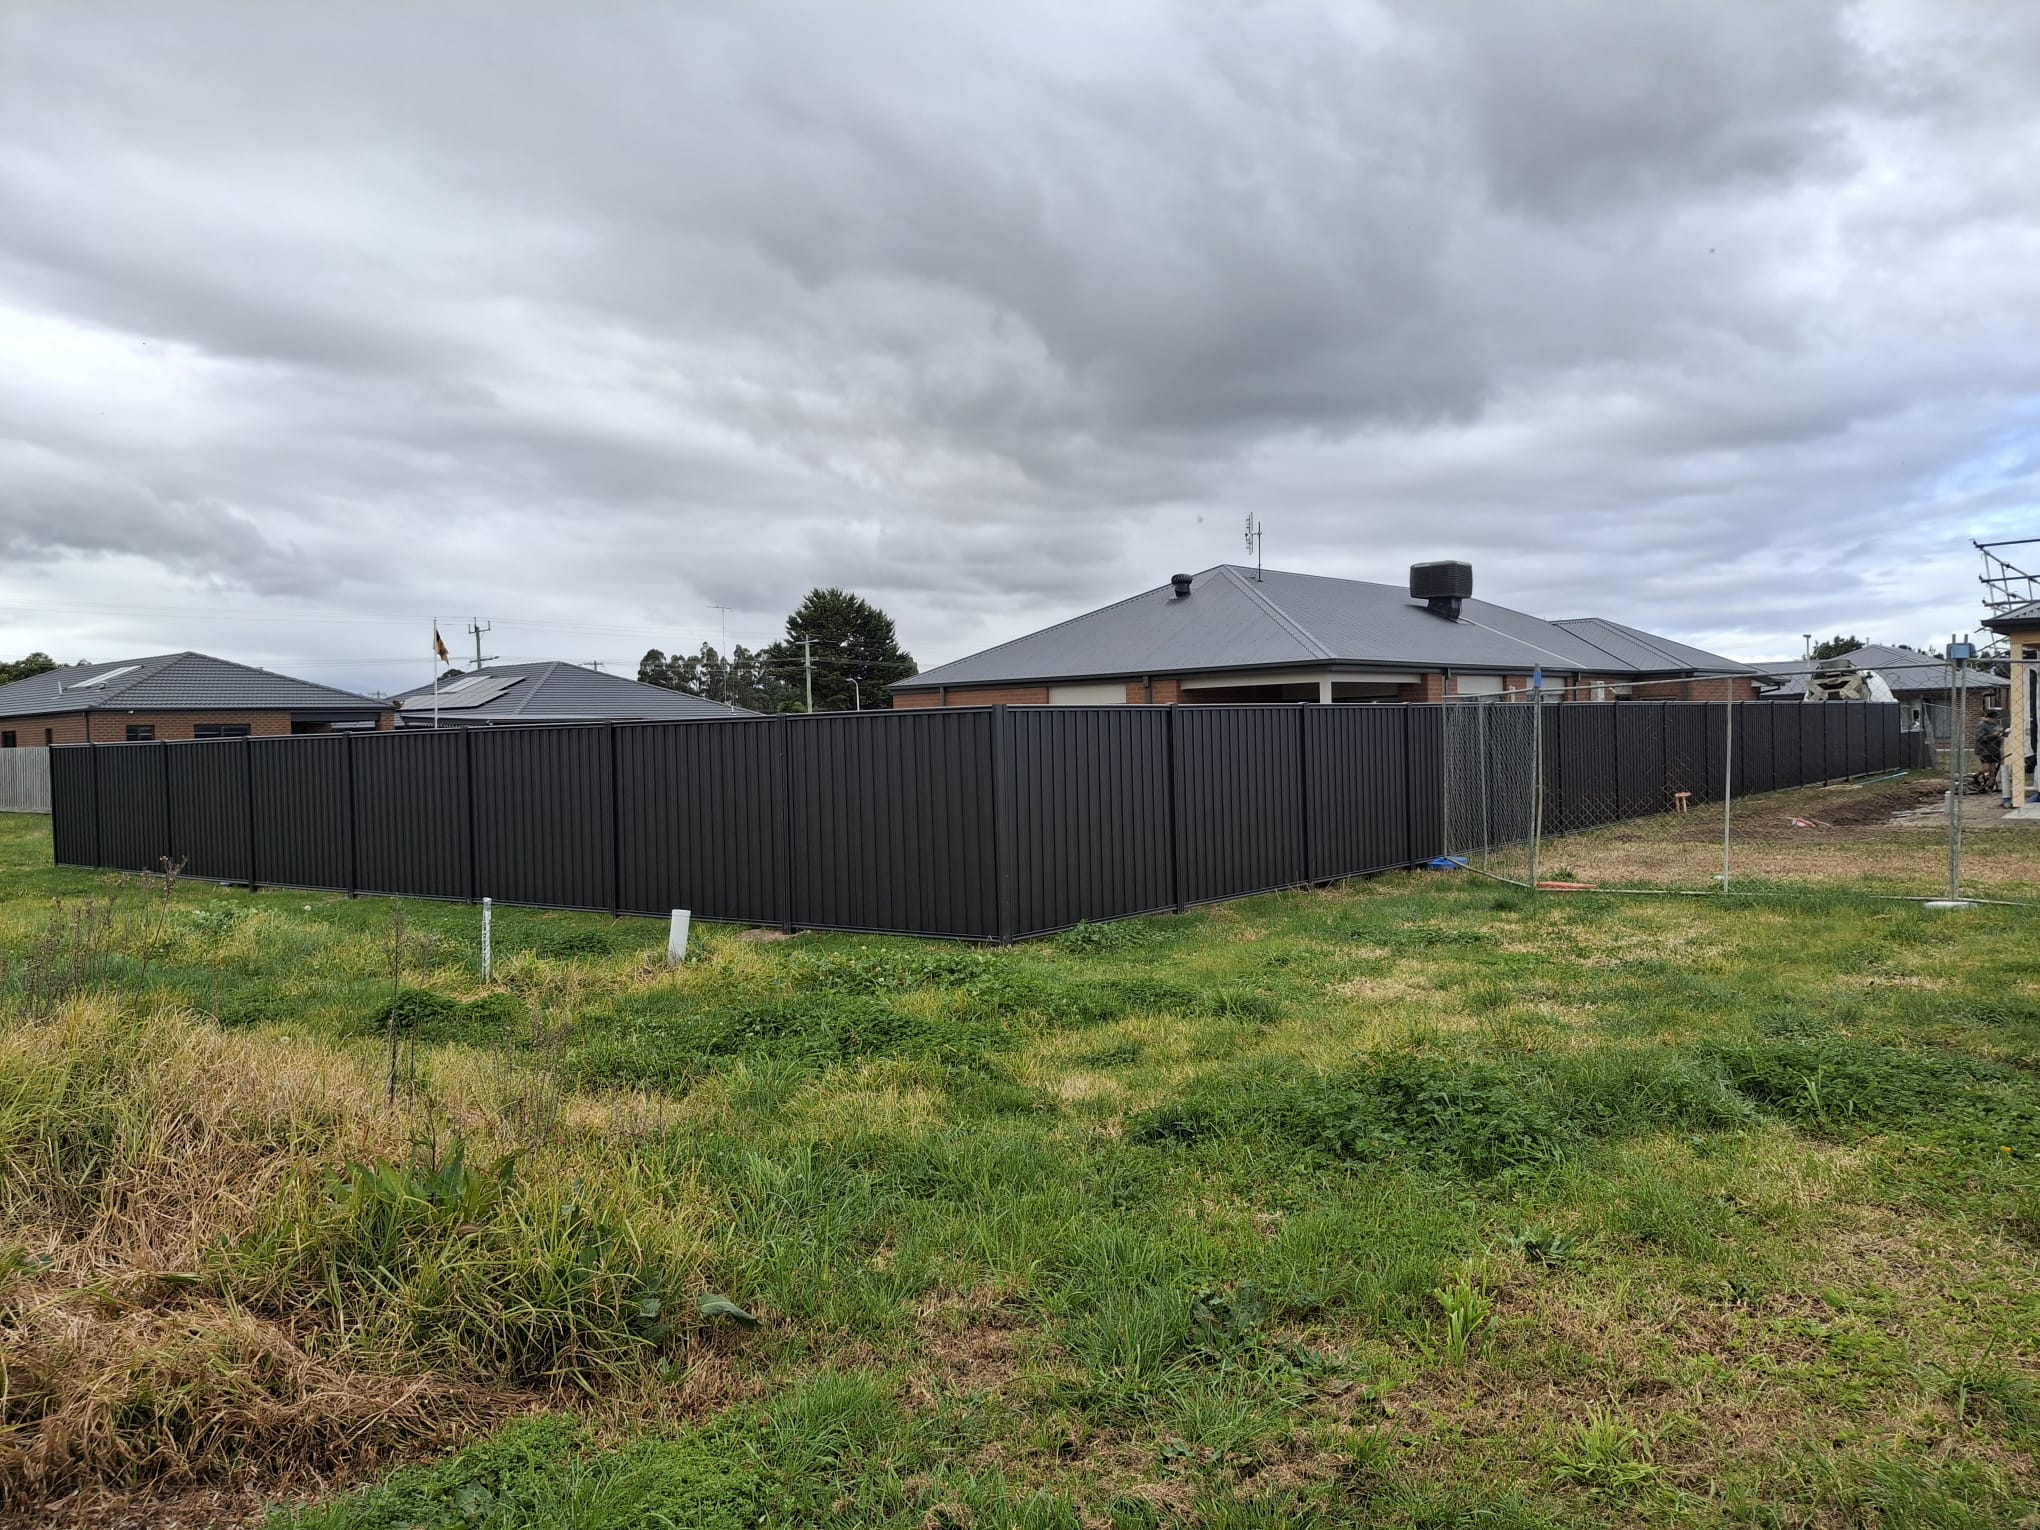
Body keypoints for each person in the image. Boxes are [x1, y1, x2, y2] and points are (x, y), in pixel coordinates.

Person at [1975, 706, 2007, 803]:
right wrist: (1995, 736)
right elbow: (1980, 738)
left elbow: (1998, 734)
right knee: (1986, 769)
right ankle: (1976, 776)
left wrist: (2001, 737)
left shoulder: (1995, 725)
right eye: (1994, 718)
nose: (1995, 720)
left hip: (1994, 750)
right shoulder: (1981, 725)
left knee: (1993, 770)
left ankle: (1990, 787)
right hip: (1984, 750)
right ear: (1990, 717)